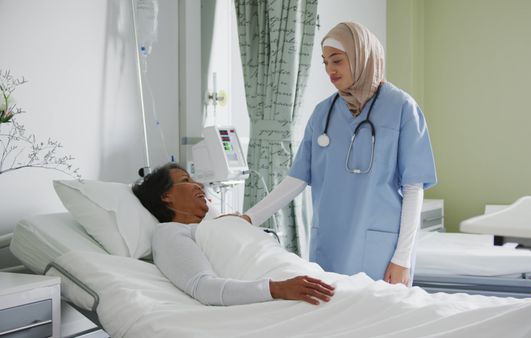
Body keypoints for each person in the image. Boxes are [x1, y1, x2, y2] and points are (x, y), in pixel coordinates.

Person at [241, 22, 436, 286]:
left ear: (361, 57)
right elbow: (297, 179)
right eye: (325, 62)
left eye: (337, 61)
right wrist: (249, 218)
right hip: (330, 245)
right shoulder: (323, 113)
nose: (330, 70)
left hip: (380, 248)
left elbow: (413, 188)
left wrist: (402, 258)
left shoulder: (402, 108)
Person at [132, 163, 335, 306]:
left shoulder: (217, 224)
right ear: (166, 196)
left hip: (306, 275)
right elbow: (203, 287)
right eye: (186, 180)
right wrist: (278, 289)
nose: (200, 185)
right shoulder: (169, 232)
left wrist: (233, 223)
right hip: (284, 289)